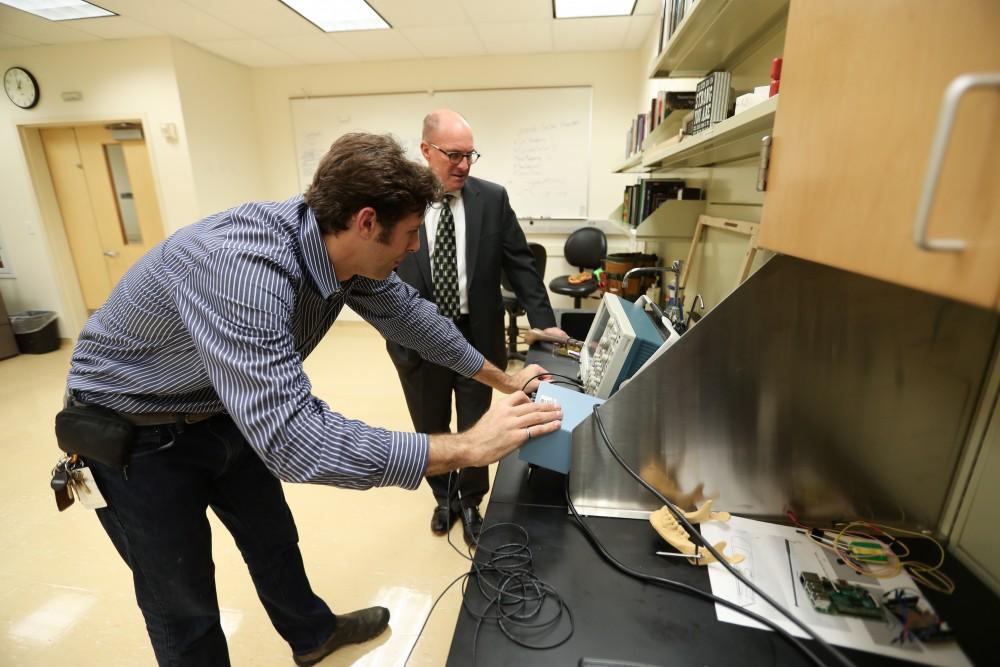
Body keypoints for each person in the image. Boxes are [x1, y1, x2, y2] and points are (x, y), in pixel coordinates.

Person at [60, 132, 562, 667]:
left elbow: (413, 318)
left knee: (272, 536)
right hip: (134, 433)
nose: (416, 248)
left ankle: (313, 634)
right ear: (367, 222)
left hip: (218, 407)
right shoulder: (244, 272)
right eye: (411, 234)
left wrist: (500, 380)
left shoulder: (336, 245)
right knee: (182, 602)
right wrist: (467, 447)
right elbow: (295, 440)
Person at [387, 110, 568, 546]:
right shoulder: (399, 203)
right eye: (453, 155)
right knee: (429, 423)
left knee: (475, 423)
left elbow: (520, 264)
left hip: (476, 334)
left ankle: (470, 503)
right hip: (417, 340)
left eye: (470, 155)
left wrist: (544, 323)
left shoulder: (492, 198)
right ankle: (442, 498)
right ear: (426, 151)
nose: (464, 166)